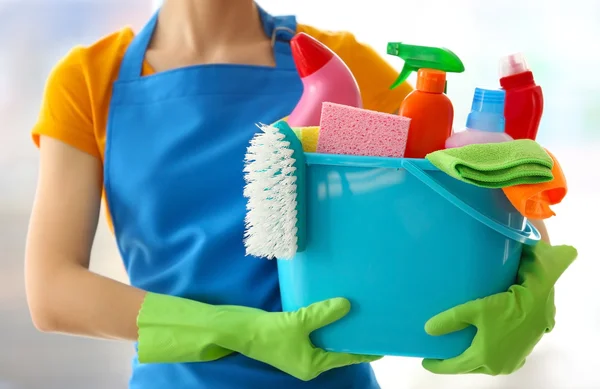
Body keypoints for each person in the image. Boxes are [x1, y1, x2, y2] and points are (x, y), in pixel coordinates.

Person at [25, 1, 567, 388]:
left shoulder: (341, 69)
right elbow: (51, 290)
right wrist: (239, 331)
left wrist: (530, 287)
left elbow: (480, 192)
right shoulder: (91, 81)